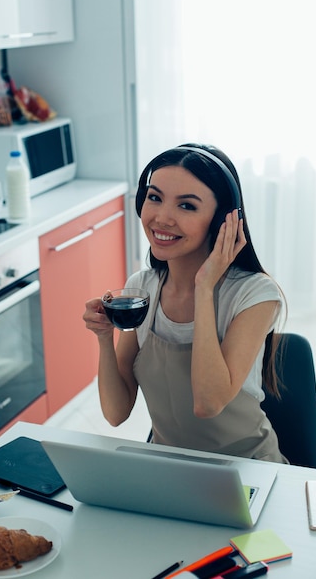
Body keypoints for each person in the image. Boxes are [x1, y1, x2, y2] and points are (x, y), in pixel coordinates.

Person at [83, 144, 288, 463]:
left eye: (187, 206)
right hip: (171, 469)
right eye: (154, 197)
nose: (162, 218)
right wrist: (102, 338)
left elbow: (207, 404)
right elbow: (115, 413)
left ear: (222, 220)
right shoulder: (141, 288)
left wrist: (204, 288)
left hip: (248, 469)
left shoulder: (255, 294)